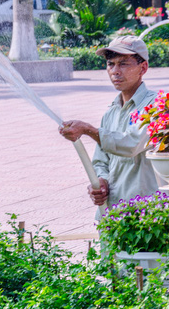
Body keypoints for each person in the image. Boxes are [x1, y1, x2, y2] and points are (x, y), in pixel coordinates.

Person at [59, 36, 159, 218]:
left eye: (123, 64)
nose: (115, 71)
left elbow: (132, 144)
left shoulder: (155, 105)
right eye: (110, 64)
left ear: (143, 68)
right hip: (112, 212)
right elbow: (101, 161)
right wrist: (101, 181)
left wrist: (89, 130)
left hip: (147, 214)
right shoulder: (111, 112)